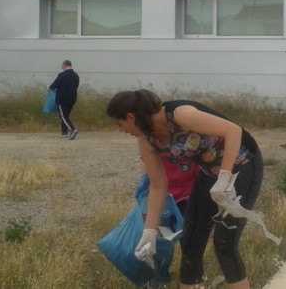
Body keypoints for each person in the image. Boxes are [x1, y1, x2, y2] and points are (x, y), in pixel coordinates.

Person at [107, 89, 263, 289]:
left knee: (224, 243)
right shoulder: (146, 140)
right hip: (209, 172)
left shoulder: (181, 115)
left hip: (244, 164)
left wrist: (224, 176)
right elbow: (158, 185)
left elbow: (233, 130)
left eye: (119, 124)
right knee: (190, 244)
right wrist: (149, 232)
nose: (119, 130)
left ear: (130, 117)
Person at [49, 60, 80, 140]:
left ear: (64, 65)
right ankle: (64, 132)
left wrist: (49, 87)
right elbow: (76, 86)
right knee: (66, 115)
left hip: (62, 98)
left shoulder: (61, 75)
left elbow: (53, 85)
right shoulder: (76, 76)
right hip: (72, 98)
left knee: (63, 116)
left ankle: (72, 130)